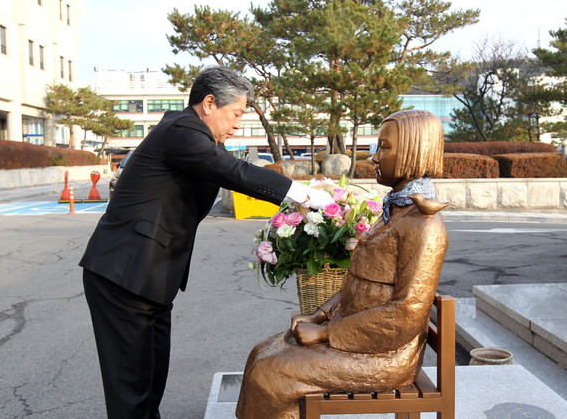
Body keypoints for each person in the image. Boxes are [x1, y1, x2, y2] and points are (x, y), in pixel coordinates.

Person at [80, 66, 333, 419]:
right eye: (236, 114)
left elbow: (223, 169)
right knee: (131, 388)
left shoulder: (190, 135)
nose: (236, 124)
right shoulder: (181, 130)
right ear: (209, 103)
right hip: (124, 274)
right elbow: (231, 171)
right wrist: (299, 194)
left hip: (149, 277)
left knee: (149, 381)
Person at [235, 110, 450, 419]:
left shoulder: (423, 224)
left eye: (384, 148)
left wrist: (325, 333)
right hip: (357, 334)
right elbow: (358, 285)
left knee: (271, 374)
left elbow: (406, 314)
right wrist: (320, 316)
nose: (375, 157)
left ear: (413, 150)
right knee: (261, 352)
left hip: (386, 354)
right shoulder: (396, 211)